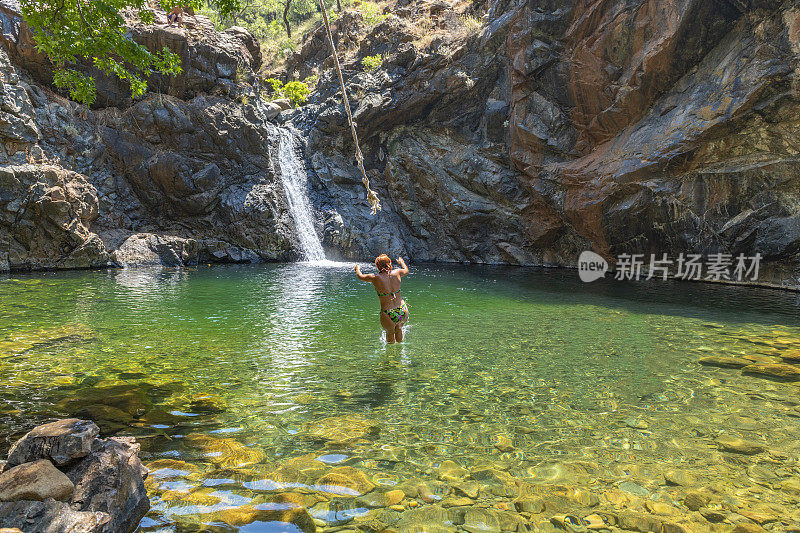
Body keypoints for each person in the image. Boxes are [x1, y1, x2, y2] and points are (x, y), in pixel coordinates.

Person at [355, 255, 410, 344]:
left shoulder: (374, 277)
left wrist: (357, 268)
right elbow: (406, 270)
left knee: (390, 334)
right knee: (399, 329)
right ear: (389, 263)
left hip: (388, 313)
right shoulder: (398, 272)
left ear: (377, 266)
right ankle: (400, 355)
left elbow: (360, 276)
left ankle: (391, 356)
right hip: (402, 309)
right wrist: (402, 262)